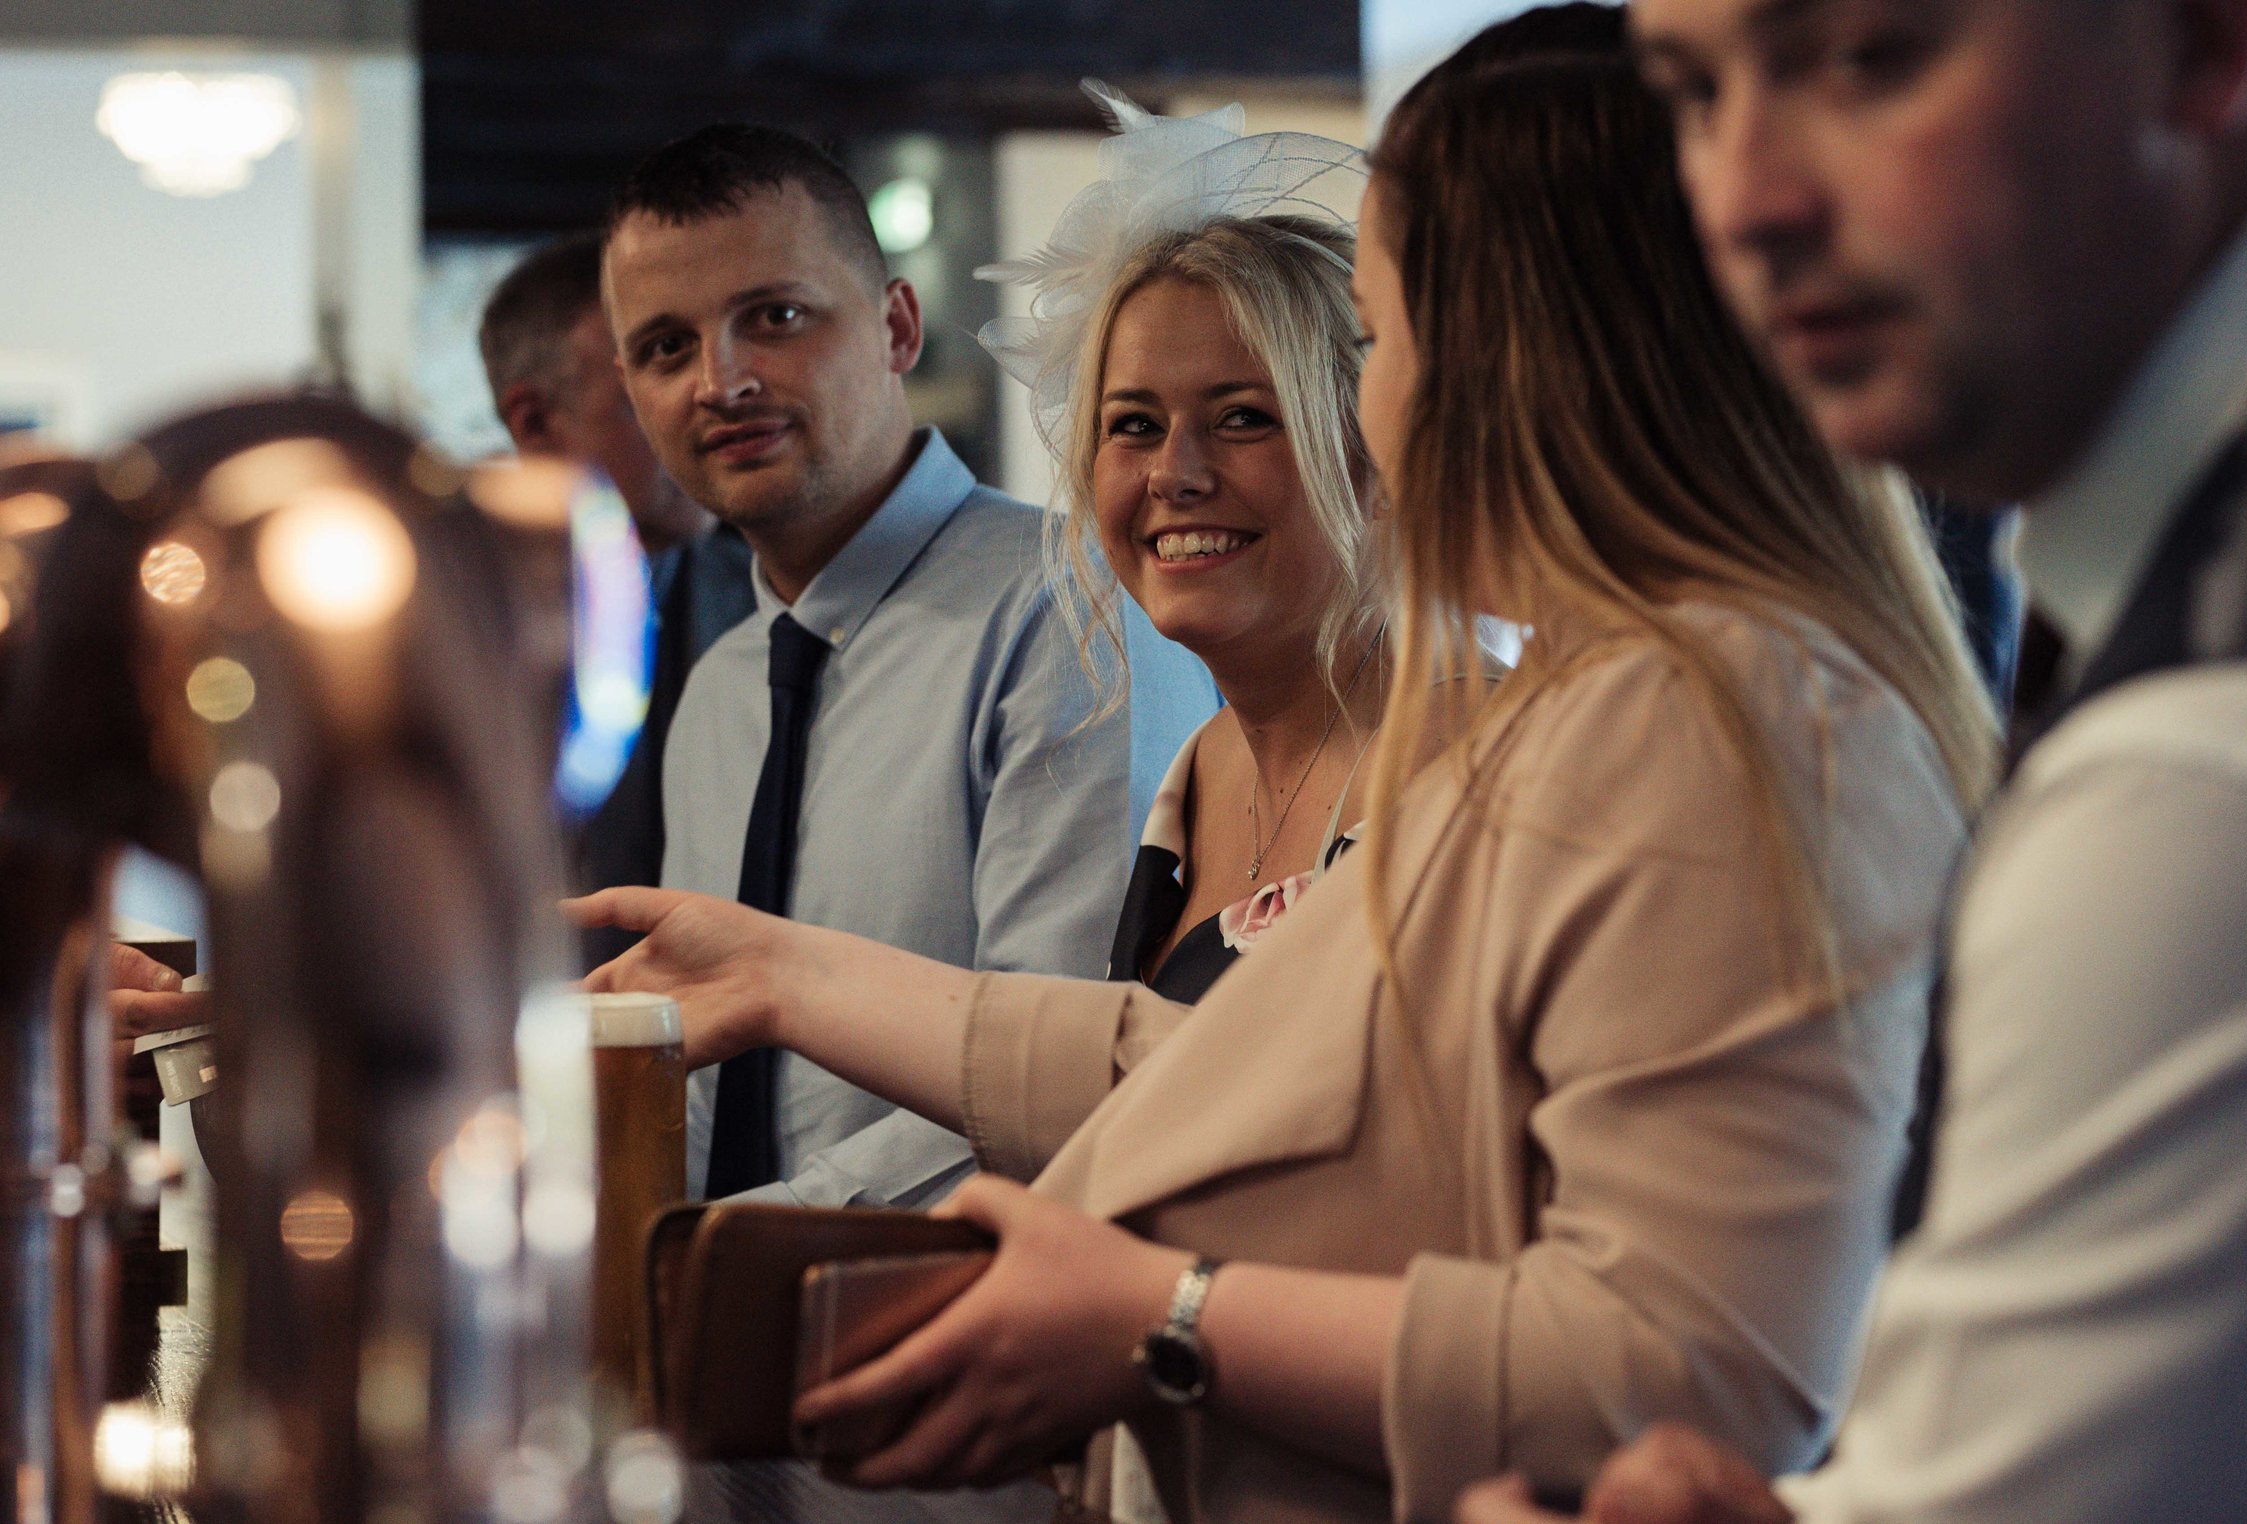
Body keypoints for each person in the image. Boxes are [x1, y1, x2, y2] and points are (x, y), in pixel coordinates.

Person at [570, 13, 1997, 1519]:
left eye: (1368, 342)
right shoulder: (1592, 705)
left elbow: (1685, 1369)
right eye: (1132, 427)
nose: (1364, 416)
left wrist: (1158, 1315)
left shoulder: (1710, 710)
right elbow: (1233, 1077)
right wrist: (790, 976)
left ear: (1512, 351)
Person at [1465, 0, 2247, 1519]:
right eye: (1693, 90)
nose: (1744, 200)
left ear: (2204, 45)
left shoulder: (2239, 773)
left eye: (1869, 57)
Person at [599, 124, 1209, 1210]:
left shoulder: (1071, 608)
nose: (720, 380)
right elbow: (694, 1087)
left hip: (970, 1308)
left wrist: (731, 1251)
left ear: (895, 325)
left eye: (773, 318)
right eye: (664, 348)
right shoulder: (720, 684)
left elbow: (1058, 1062)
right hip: (726, 1319)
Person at [971, 85, 1382, 1003]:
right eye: (1133, 424)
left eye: (1242, 417)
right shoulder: (1200, 766)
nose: (1173, 474)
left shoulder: (1465, 754)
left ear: (1370, 443)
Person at [478, 231, 757, 969]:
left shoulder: (769, 593)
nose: (701, 408)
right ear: (534, 422)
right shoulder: (455, 619)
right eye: (641, 390)